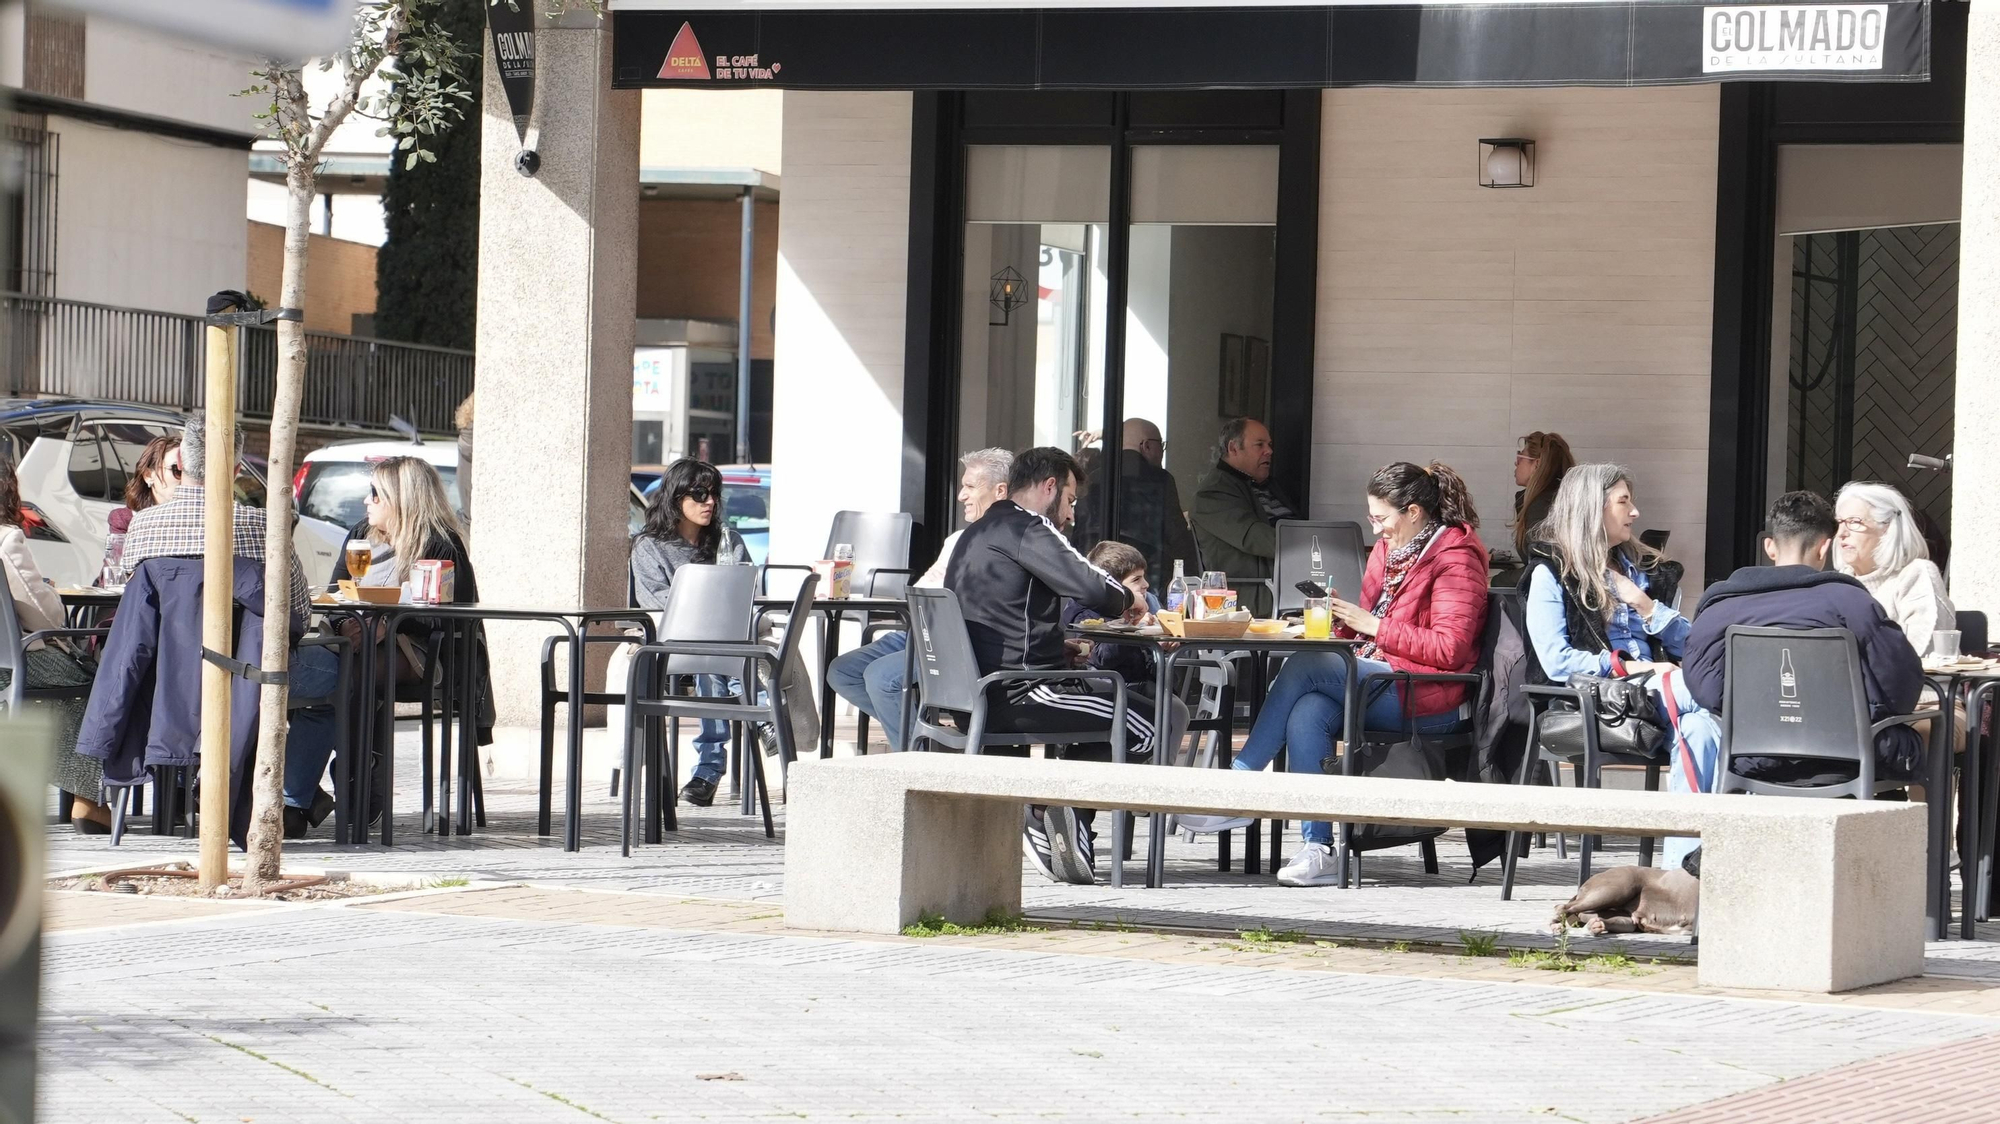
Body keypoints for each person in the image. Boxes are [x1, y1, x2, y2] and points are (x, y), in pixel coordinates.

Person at [1221, 462, 1490, 886]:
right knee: (1308, 710)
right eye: (1371, 517)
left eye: (1381, 518)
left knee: (1306, 664)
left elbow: (1449, 648)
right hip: (1387, 677)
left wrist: (1374, 626)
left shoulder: (1456, 558)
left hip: (1431, 695)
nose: (1376, 528)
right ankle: (1319, 848)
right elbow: (1367, 629)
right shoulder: (1388, 550)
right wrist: (1343, 618)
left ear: (1414, 512)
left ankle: (1237, 787)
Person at [945, 445, 1179, 886]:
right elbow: (1091, 585)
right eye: (1070, 500)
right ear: (1050, 487)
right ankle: (1047, 812)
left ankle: (1062, 821)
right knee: (1151, 725)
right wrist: (1130, 599)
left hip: (975, 693)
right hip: (1021, 693)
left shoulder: (979, 531)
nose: (1071, 514)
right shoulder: (1028, 526)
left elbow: (1004, 616)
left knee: (1115, 712)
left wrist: (1058, 647)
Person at [120, 419, 335, 837]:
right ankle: (291, 802)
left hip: (169, 677)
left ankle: (191, 787)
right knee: (339, 675)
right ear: (237, 469)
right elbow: (296, 613)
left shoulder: (143, 525)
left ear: (181, 464)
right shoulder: (260, 526)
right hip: (247, 673)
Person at [1521, 463, 1719, 870]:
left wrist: (1645, 605)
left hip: (1658, 698)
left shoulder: (1641, 573)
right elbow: (1556, 661)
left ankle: (1681, 875)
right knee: (1722, 691)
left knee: (1701, 730)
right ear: (1592, 509)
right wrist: (1628, 669)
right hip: (1597, 703)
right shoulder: (1550, 573)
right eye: (1624, 502)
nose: (1635, 512)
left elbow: (1694, 645)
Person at [1682, 491, 1927, 816]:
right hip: (1851, 756)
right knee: (1931, 730)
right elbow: (1902, 688)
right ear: (1825, 548)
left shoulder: (1720, 608)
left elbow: (1705, 689)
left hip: (1752, 756)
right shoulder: (1853, 604)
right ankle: (1932, 844)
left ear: (1770, 547)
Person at [316, 455, 486, 836]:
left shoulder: (440, 545)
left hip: (428, 652)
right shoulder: (360, 536)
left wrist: (387, 625)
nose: (367, 500)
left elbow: (446, 617)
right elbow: (336, 593)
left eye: (375, 493)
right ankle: (322, 786)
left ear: (401, 498)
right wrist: (348, 624)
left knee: (356, 672)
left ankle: (361, 778)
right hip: (363, 644)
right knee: (318, 670)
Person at [826, 447, 1011, 751]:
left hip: (954, 643)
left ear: (1000, 491)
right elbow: (925, 588)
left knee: (882, 679)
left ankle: (917, 757)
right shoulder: (957, 539)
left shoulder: (1003, 543)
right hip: (918, 631)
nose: (961, 496)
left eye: (970, 487)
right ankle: (925, 741)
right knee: (842, 672)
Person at [631, 458, 751, 808]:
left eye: (714, 494)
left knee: (720, 657)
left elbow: (748, 594)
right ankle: (760, 719)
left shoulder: (729, 541)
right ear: (676, 498)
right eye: (699, 494)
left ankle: (708, 774)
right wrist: (711, 617)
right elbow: (656, 602)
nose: (709, 502)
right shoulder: (649, 546)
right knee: (711, 660)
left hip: (728, 641)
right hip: (674, 643)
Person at [0, 455, 104, 830]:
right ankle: (86, 801)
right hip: (12, 662)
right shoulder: (6, 539)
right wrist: (50, 592)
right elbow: (43, 616)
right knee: (92, 684)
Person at [1072, 419, 1200, 591]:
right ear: (1146, 445)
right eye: (1160, 445)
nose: (1162, 452)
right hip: (1149, 580)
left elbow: (1080, 533)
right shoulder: (1161, 480)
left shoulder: (1093, 479)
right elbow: (1176, 537)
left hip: (1095, 577)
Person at [1834, 481, 1956, 658]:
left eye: (1854, 522)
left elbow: (1919, 653)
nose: (1841, 533)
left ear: (1887, 528)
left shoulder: (1915, 575)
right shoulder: (1839, 584)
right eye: (1839, 522)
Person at [1192, 417, 1297, 616]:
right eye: (1260, 445)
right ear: (1233, 448)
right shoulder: (1213, 493)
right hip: (1251, 599)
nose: (1269, 451)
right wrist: (1313, 544)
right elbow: (1258, 540)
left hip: (1286, 588)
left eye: (1269, 445)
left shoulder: (1266, 485)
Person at [1060, 540, 1162, 688]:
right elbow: (1101, 657)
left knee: (1174, 702)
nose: (1146, 584)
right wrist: (1134, 628)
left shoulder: (1148, 602)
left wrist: (1162, 644)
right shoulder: (1086, 611)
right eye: (1136, 579)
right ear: (1113, 586)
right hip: (1110, 687)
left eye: (1143, 577)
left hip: (1146, 683)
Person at [99, 434, 180, 584]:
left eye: (191, 472)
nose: (185, 479)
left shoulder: (200, 518)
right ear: (148, 475)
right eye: (177, 470)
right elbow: (113, 577)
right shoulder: (126, 519)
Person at [1512, 430, 1574, 559]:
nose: (1516, 463)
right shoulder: (1563, 497)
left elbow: (1543, 562)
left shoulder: (1540, 506)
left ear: (1537, 464)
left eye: (1520, 457)